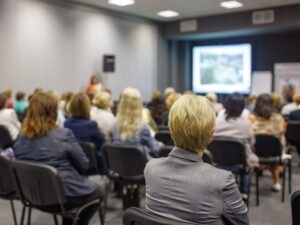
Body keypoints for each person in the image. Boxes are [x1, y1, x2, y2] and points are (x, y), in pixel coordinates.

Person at [145, 94, 249, 224]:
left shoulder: (151, 168)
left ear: (170, 130)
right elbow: (242, 222)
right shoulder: (222, 181)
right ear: (211, 134)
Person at [14, 92, 103, 225]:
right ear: (53, 112)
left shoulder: (20, 138)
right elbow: (83, 166)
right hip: (62, 198)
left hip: (32, 196)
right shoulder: (63, 134)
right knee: (99, 191)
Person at [214, 93, 258, 198]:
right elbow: (252, 143)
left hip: (217, 162)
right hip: (240, 164)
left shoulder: (216, 122)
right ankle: (243, 192)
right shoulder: (246, 125)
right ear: (243, 107)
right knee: (247, 160)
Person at [249, 94, 286, 192]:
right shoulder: (278, 118)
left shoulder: (251, 118)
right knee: (276, 145)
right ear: (272, 105)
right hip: (274, 154)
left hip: (255, 152)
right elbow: (282, 132)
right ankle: (276, 182)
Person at [112, 87, 161, 159]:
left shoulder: (115, 125)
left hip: (120, 168)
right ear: (138, 104)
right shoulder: (142, 127)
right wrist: (160, 145)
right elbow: (156, 150)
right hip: (142, 167)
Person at [64, 93, 107, 174]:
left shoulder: (66, 123)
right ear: (87, 108)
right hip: (90, 166)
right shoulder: (91, 125)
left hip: (72, 165)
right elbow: (103, 143)